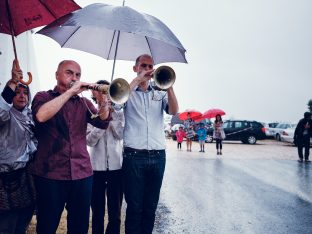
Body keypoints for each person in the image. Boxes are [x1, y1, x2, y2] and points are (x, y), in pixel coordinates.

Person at [30, 60, 111, 234]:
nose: (74, 77)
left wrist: (103, 101)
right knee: (46, 226)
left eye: (78, 75)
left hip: (82, 173)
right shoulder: (43, 96)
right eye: (69, 73)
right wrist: (70, 92)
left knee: (79, 227)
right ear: (57, 75)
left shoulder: (83, 103)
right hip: (50, 174)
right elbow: (41, 116)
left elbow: (102, 122)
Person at [122, 54, 179, 233]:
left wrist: (169, 87)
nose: (148, 69)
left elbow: (174, 110)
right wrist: (137, 80)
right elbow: (115, 105)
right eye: (143, 66)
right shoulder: (127, 91)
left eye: (150, 66)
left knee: (150, 206)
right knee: (134, 206)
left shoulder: (159, 93)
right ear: (135, 68)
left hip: (157, 156)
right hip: (134, 156)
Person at [0, 60, 37, 234]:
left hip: (26, 176)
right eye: (17, 92)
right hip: (6, 177)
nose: (22, 96)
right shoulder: (5, 115)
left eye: (25, 93)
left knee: (23, 223)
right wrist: (12, 82)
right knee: (7, 225)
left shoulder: (31, 115)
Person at [86, 80, 124, 234]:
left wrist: (112, 116)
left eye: (106, 92)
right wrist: (102, 120)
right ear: (95, 94)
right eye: (100, 92)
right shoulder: (89, 113)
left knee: (115, 211)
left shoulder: (119, 113)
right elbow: (89, 140)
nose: (104, 95)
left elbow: (120, 135)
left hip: (116, 167)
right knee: (97, 211)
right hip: (96, 168)